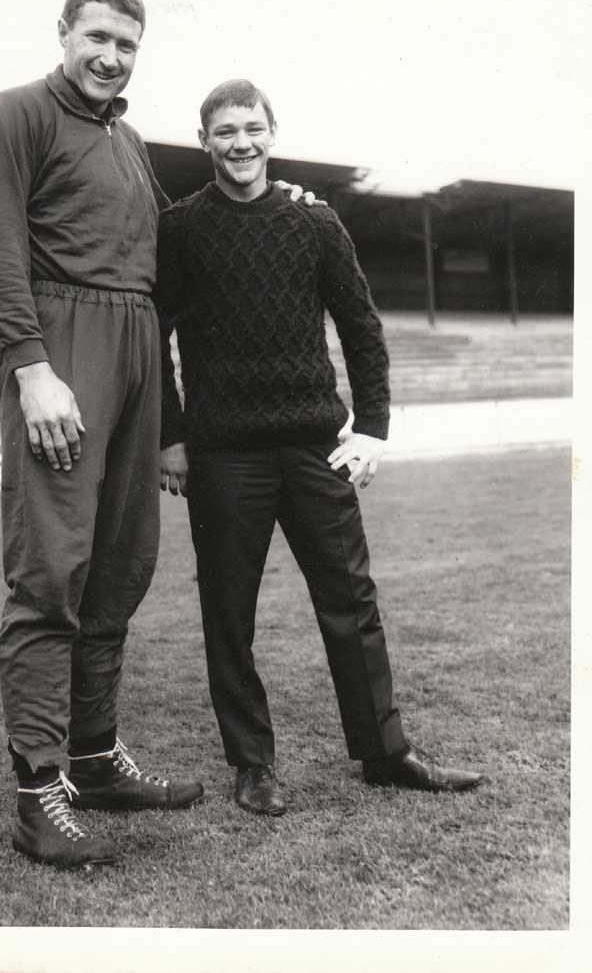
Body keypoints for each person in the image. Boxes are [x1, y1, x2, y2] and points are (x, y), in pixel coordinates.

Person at [0, 0, 314, 869]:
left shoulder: (123, 138)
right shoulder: (16, 115)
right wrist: (34, 370)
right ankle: (40, 794)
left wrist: (283, 202)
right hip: (62, 351)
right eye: (98, 36)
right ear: (66, 33)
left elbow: (172, 251)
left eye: (127, 43)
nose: (111, 55)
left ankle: (93, 757)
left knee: (120, 569)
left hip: (136, 352)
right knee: (51, 571)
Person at [155, 79, 484, 817]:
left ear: (273, 133)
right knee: (228, 616)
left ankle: (385, 753)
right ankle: (253, 766)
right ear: (204, 140)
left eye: (252, 128)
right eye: (224, 131)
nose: (240, 143)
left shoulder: (317, 221)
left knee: (350, 604)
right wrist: (171, 437)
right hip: (223, 456)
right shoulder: (179, 227)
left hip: (313, 446)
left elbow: (362, 327)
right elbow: (156, 334)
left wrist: (371, 427)